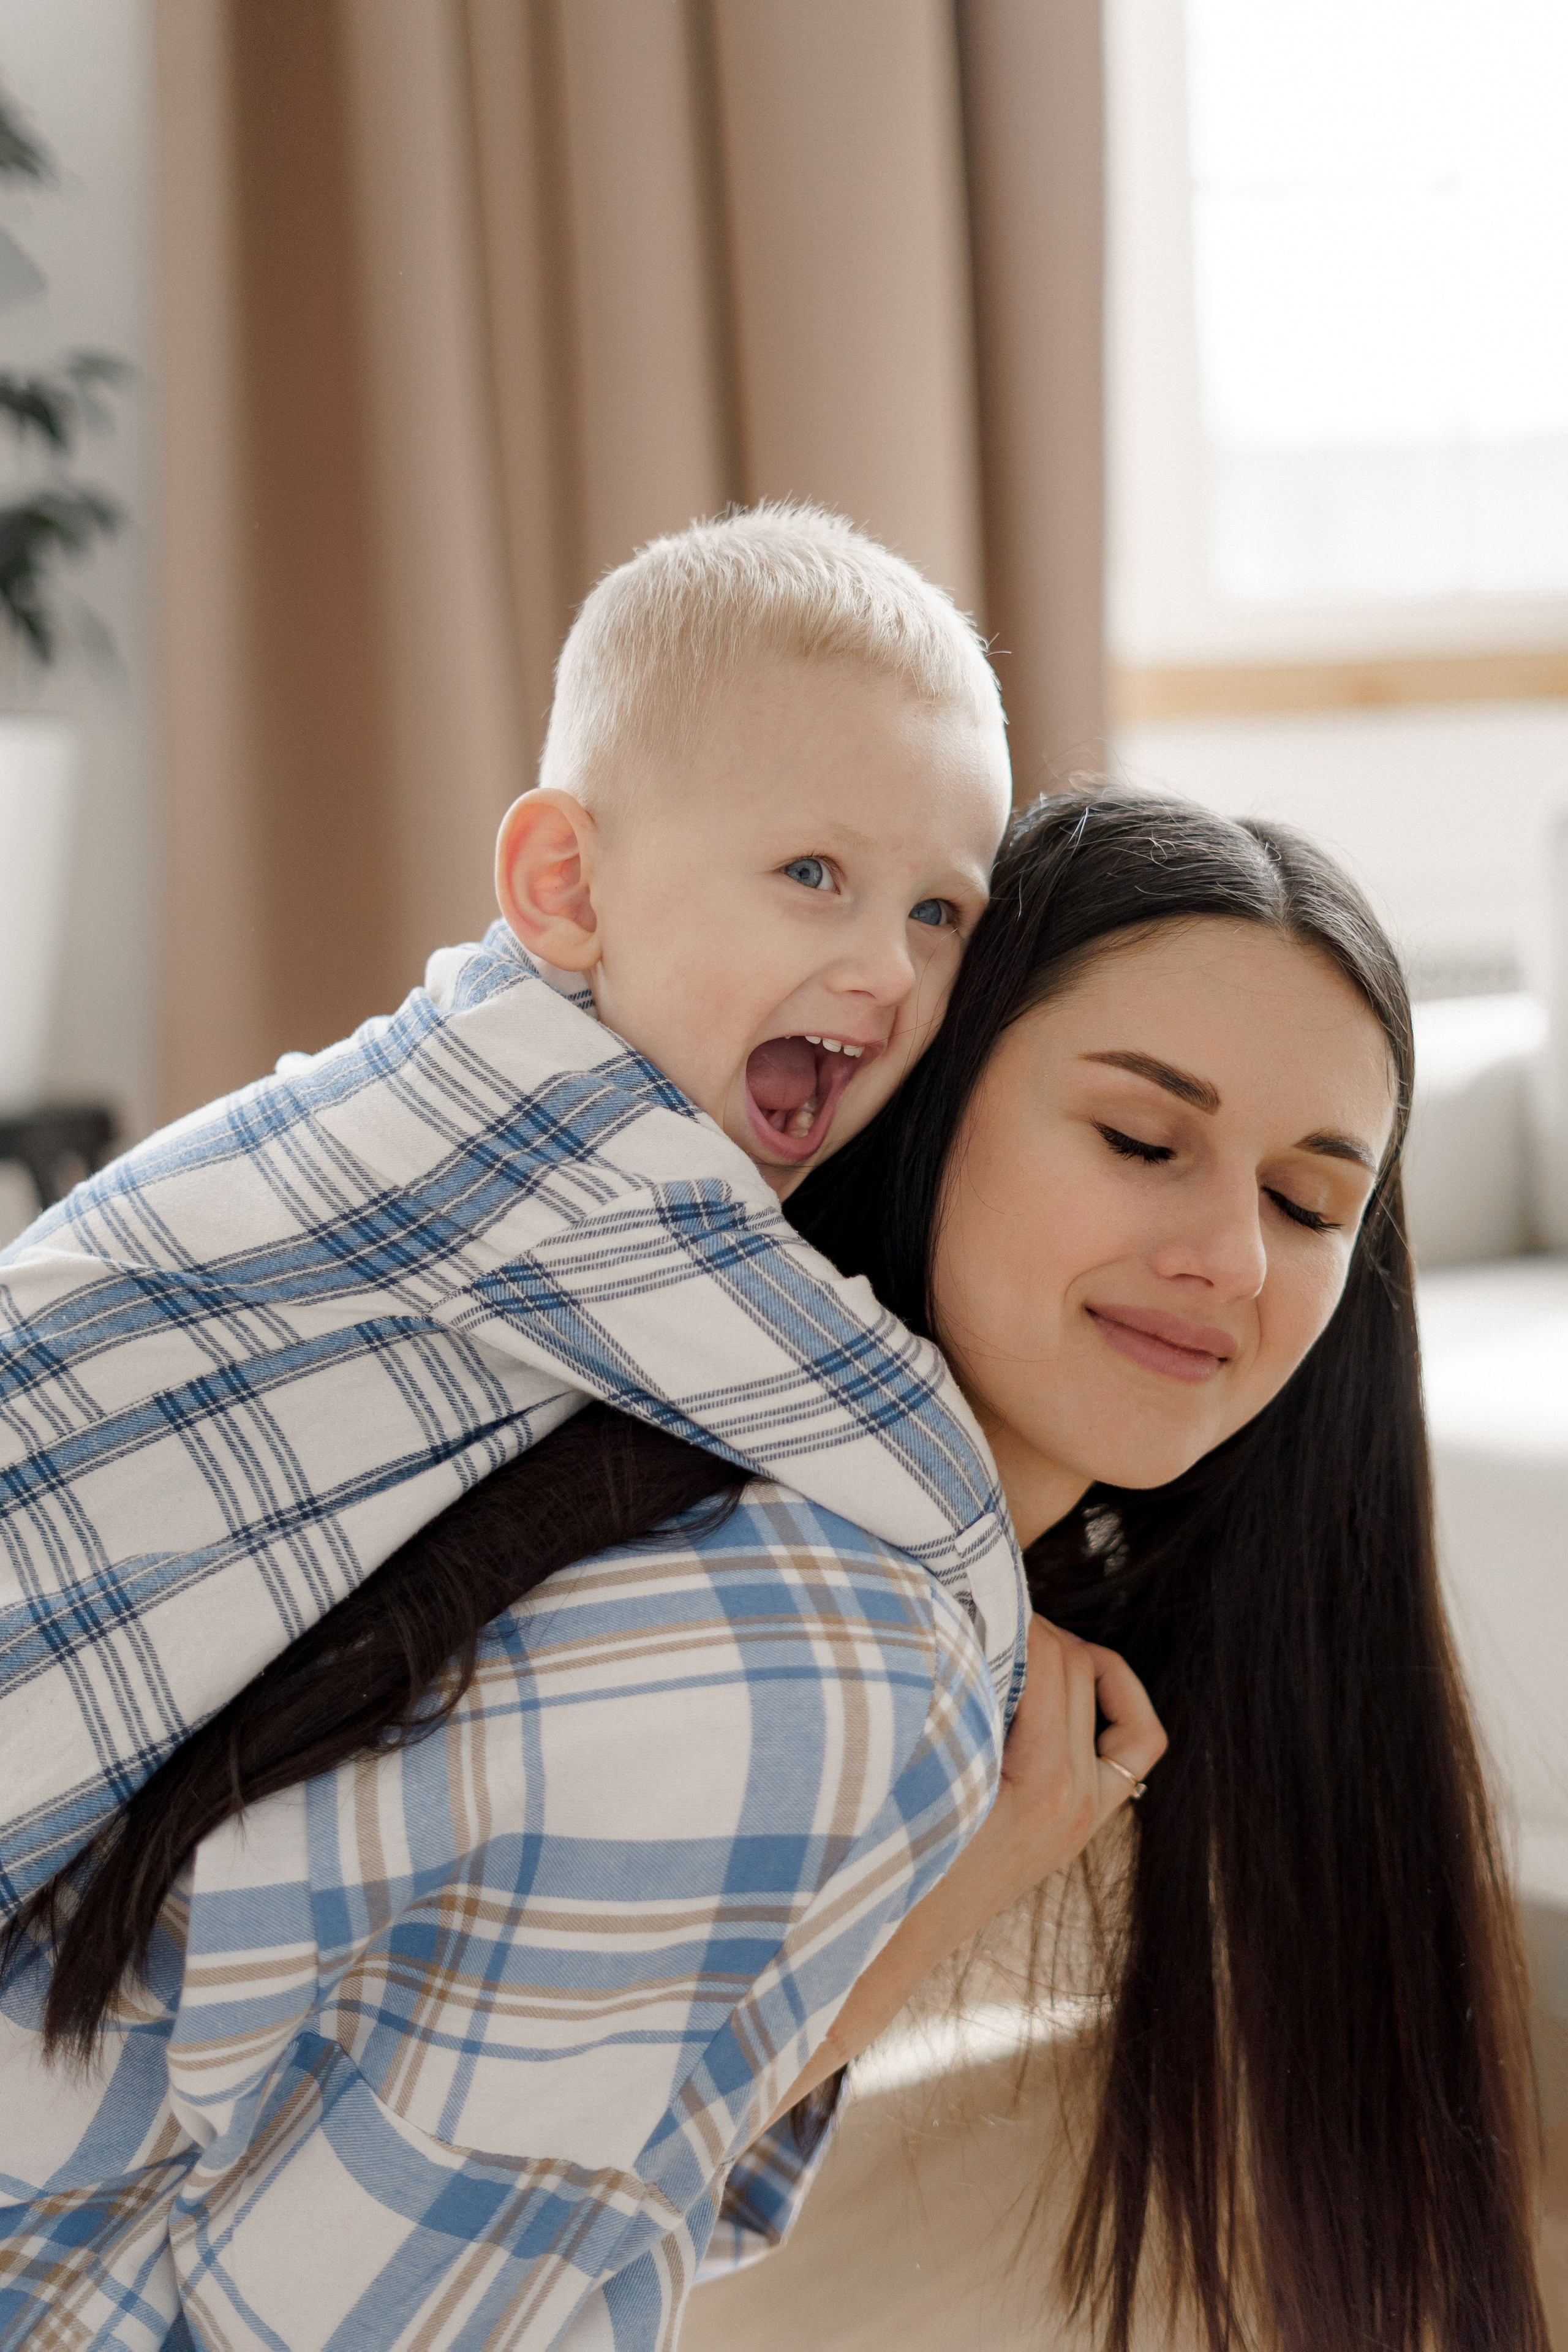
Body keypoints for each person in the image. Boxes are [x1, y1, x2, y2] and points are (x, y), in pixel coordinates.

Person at [1, 793, 1543, 2352]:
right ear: (927, 1097)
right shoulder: (840, 1650)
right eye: (1141, 1139)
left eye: (1305, 1203)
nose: (1233, 1257)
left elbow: (516, 2196)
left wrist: (927, 1898)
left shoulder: (693, 1492)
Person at [0, 503, 1024, 1916]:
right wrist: (1031, 1663)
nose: (890, 972)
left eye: (939, 913)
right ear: (565, 888)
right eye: (811, 877)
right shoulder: (559, 1135)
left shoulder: (485, 1067)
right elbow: (922, 1470)